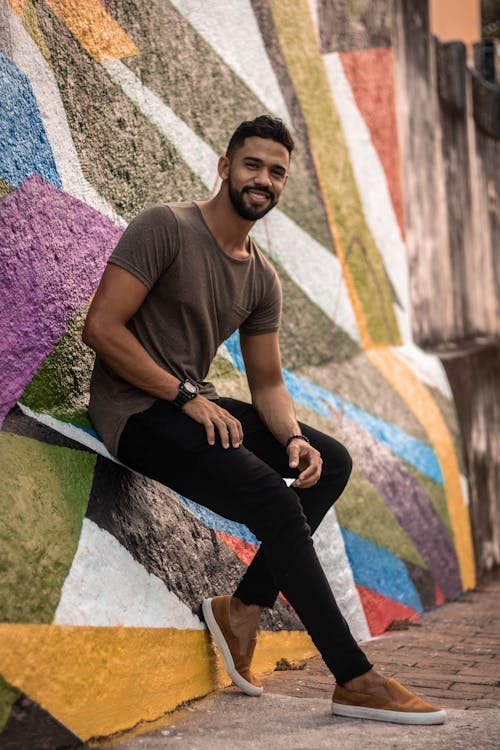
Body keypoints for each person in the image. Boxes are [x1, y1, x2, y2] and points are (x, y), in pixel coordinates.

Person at [83, 115, 445, 725]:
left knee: (329, 463)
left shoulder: (261, 277)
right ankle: (355, 678)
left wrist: (296, 439)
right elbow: (102, 328)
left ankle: (244, 608)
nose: (264, 179)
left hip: (188, 403)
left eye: (276, 171)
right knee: (273, 505)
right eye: (252, 165)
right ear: (225, 168)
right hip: (136, 411)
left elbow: (269, 382)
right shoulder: (165, 226)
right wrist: (182, 396)